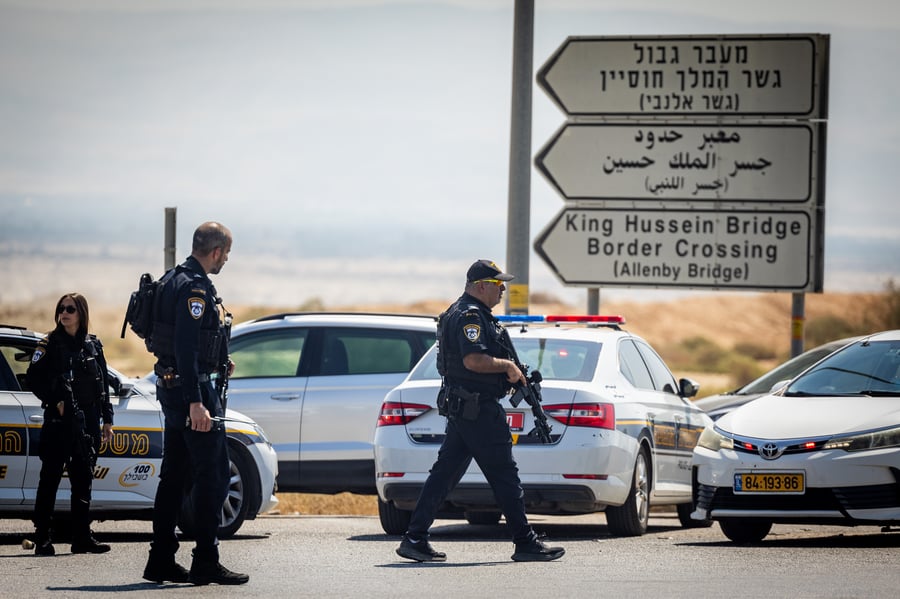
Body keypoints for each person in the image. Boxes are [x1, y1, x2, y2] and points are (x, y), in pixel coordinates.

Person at [395, 259, 565, 563]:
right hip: (478, 409)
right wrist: (508, 366)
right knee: (504, 475)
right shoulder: (470, 316)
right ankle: (525, 542)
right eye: (498, 285)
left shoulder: (469, 313)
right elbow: (474, 360)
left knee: (444, 475)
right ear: (481, 286)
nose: (502, 291)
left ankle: (415, 538)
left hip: (468, 409)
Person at [141, 221, 248, 586]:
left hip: (175, 390)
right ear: (216, 251)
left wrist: (217, 359)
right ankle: (205, 559)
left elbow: (182, 343)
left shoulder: (172, 279)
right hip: (193, 396)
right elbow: (185, 347)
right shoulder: (195, 288)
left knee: (174, 477)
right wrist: (195, 403)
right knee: (214, 475)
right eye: (227, 253)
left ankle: (160, 560)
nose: (226, 260)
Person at [26, 293, 114, 556]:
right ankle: (42, 538)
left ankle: (81, 538)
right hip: (59, 422)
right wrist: (56, 400)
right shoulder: (49, 344)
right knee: (49, 480)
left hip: (87, 422)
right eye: (61, 309)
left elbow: (103, 387)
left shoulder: (93, 345)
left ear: (81, 313)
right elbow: (33, 379)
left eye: (70, 309)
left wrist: (107, 420)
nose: (64, 313)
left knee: (83, 480)